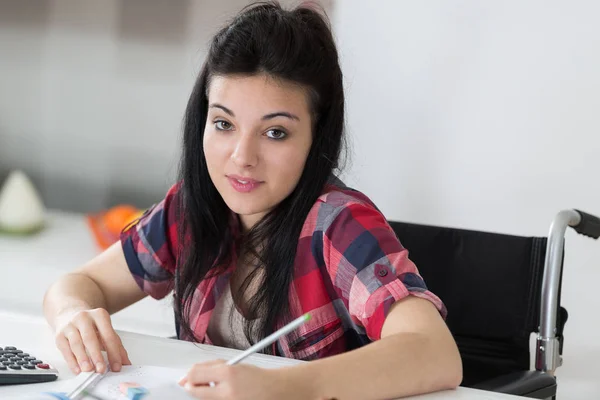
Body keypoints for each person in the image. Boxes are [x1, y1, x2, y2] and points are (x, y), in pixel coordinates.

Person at [43, 2, 462, 399]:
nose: (242, 158)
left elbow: (435, 353)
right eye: (223, 123)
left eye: (275, 132)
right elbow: (80, 284)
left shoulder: (339, 224)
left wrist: (282, 389)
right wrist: (72, 315)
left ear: (317, 135)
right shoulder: (191, 209)